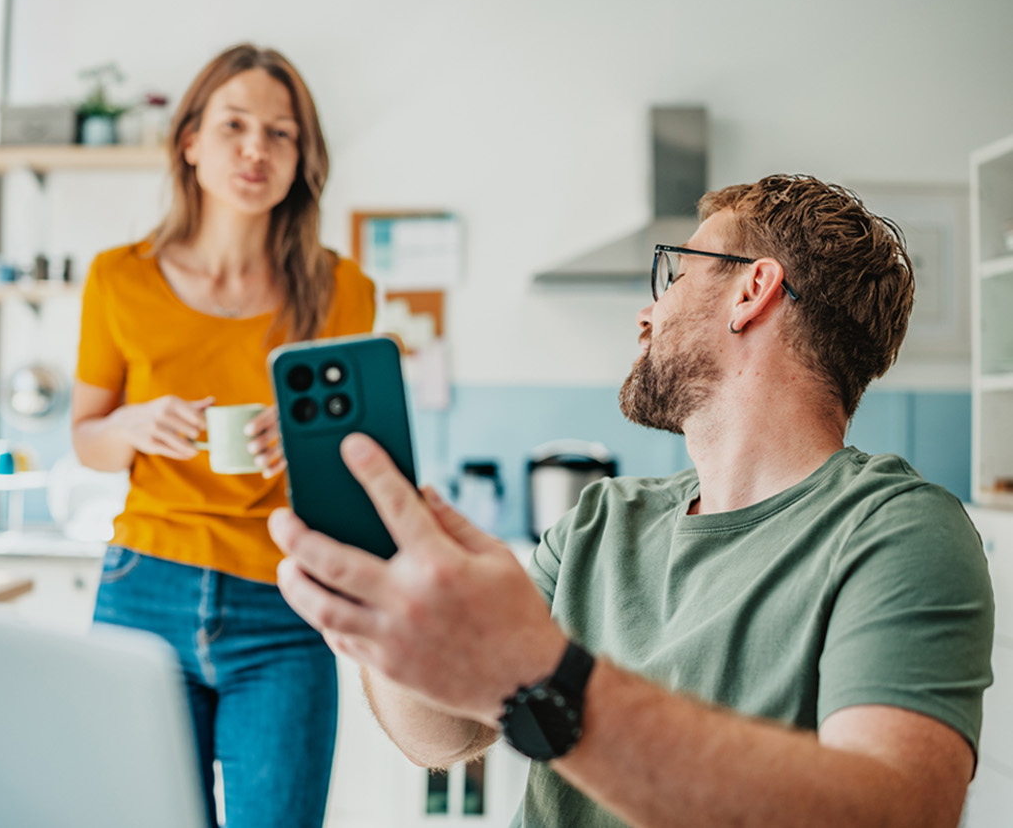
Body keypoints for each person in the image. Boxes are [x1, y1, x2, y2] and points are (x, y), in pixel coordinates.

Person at [269, 174, 995, 827]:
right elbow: (447, 737)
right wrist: (382, 604)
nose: (646, 314)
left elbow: (900, 811)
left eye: (674, 275)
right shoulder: (602, 519)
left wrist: (546, 675)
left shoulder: (897, 530)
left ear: (752, 291)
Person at [70, 44, 375, 828]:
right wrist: (132, 424)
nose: (256, 149)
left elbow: (361, 472)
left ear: (302, 158)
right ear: (190, 141)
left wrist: (307, 443)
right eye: (234, 125)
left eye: (281, 133)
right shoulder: (118, 278)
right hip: (143, 589)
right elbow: (87, 438)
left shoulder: (342, 291)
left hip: (285, 602)